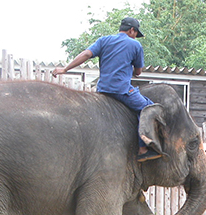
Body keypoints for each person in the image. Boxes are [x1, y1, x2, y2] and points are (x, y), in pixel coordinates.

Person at [51, 17, 160, 161]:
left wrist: (65, 69)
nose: (135, 36)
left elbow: (86, 54)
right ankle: (143, 149)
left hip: (103, 89)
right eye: (135, 33)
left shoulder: (103, 41)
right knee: (148, 108)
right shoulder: (135, 45)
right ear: (132, 30)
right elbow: (138, 72)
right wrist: (130, 69)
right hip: (121, 90)